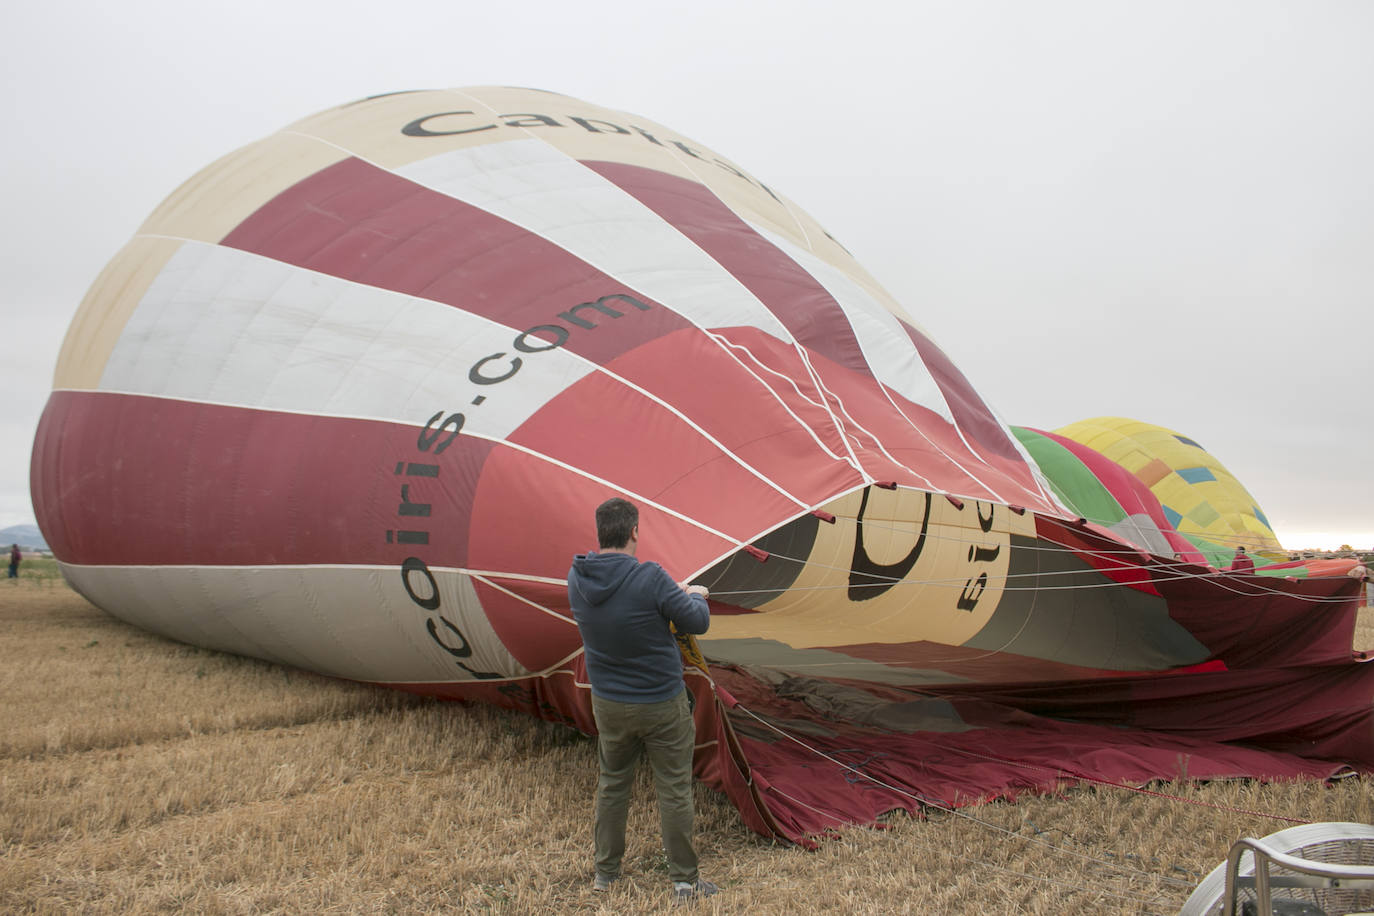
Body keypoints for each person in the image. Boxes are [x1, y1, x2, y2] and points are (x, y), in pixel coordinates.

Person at [567, 497, 719, 902]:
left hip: (609, 705)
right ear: (634, 531)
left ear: (601, 533)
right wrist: (694, 595)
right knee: (673, 787)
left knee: (613, 785)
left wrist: (672, 596)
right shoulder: (651, 577)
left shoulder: (577, 577)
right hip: (661, 704)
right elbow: (697, 621)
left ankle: (605, 874)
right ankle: (684, 881)